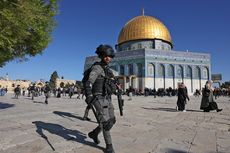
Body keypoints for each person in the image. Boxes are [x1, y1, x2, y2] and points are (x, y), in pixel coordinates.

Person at [83, 44, 116, 153]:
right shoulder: (97, 67)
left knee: (112, 120)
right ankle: (109, 146)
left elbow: (111, 82)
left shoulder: (107, 69)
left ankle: (94, 133)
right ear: (102, 56)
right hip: (98, 97)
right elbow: (89, 82)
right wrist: (89, 95)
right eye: (106, 56)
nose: (108, 58)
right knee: (105, 122)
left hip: (106, 97)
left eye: (110, 56)